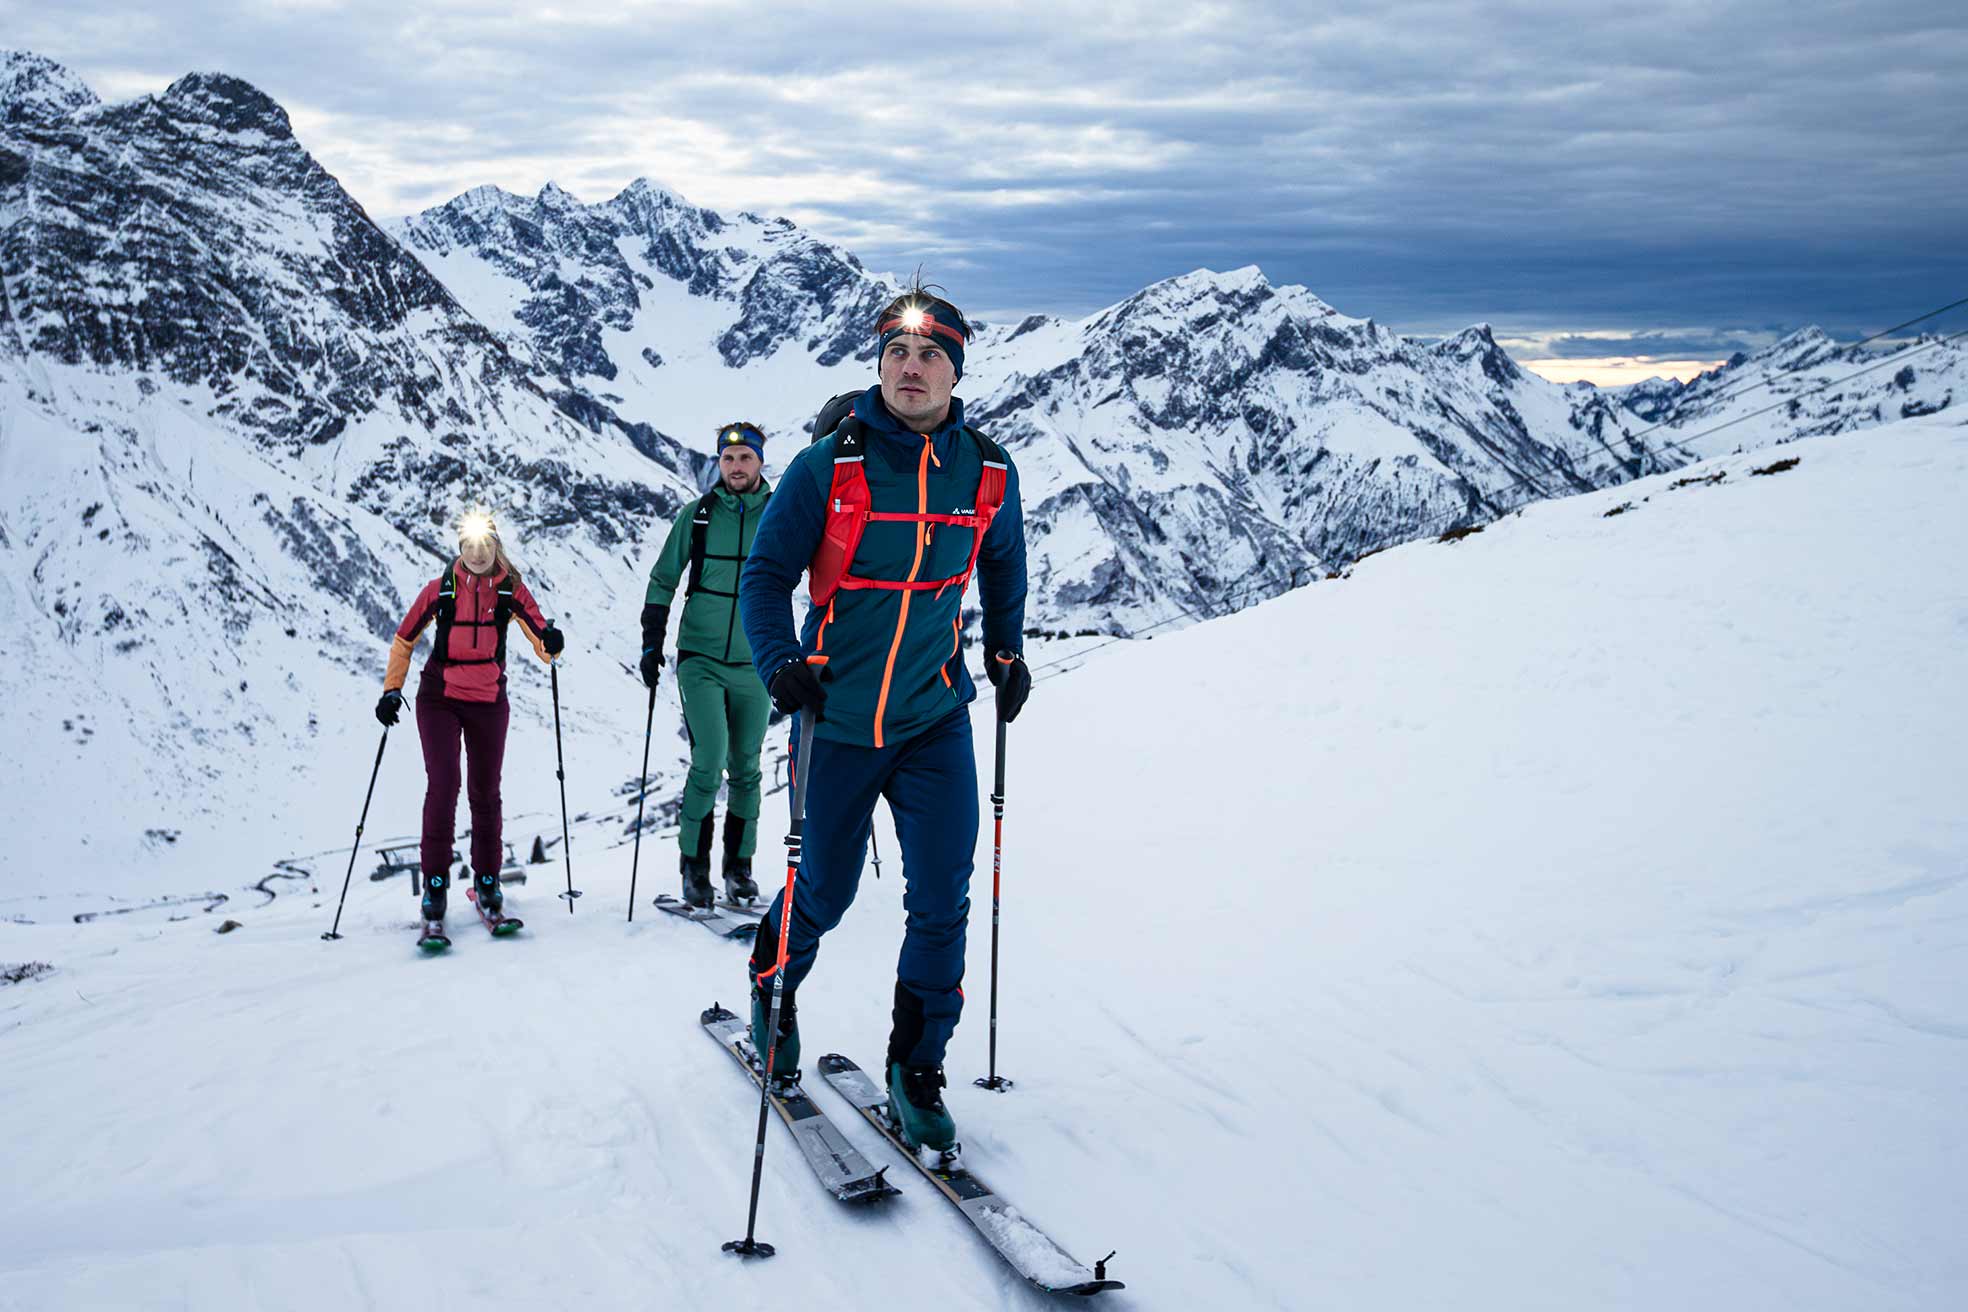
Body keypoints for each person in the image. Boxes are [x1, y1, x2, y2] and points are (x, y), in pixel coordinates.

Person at [738, 288, 1034, 1156]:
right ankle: (772, 992)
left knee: (941, 898)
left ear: (955, 370)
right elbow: (766, 576)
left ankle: (916, 1065)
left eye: (931, 354)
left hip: (935, 721)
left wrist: (1008, 655)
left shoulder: (987, 471)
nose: (913, 367)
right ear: (879, 363)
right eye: (898, 353)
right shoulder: (828, 466)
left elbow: (1005, 566)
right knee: (822, 892)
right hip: (835, 717)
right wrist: (779, 662)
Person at [375, 509, 563, 946]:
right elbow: (405, 639)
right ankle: (435, 888)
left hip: (488, 701)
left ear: (497, 548)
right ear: (460, 548)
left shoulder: (511, 590)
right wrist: (391, 690)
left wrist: (550, 644)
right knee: (443, 786)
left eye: (486, 545)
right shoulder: (440, 590)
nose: (478, 553)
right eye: (470, 545)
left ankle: (488, 882)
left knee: (485, 791)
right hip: (439, 697)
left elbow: (540, 636)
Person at [640, 423, 774, 909]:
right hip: (699, 658)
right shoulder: (696, 517)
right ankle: (693, 868)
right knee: (709, 759)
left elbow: (814, 568)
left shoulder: (780, 515)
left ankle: (739, 870)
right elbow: (663, 579)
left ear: (760, 462)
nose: (736, 467)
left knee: (747, 768)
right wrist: (652, 642)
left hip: (756, 661)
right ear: (719, 464)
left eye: (745, 458)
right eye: (728, 459)